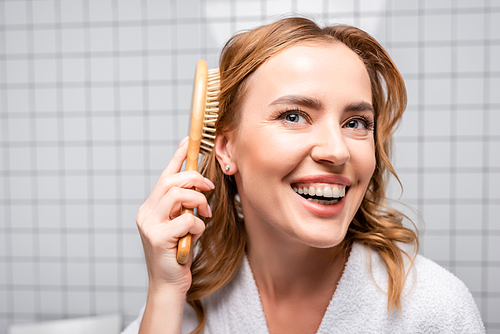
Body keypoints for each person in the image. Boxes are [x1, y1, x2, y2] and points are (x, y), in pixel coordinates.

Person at [122, 17, 484, 334]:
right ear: (226, 148)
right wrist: (165, 293)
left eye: (355, 123)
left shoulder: (434, 309)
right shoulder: (185, 300)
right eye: (293, 116)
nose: (337, 150)